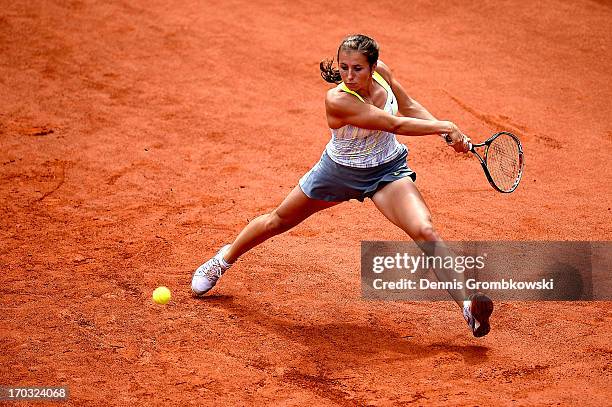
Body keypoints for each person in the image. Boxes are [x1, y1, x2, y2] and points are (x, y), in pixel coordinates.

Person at [191, 34, 493, 337]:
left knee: (425, 231)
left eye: (358, 69)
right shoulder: (338, 99)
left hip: (386, 170)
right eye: (344, 67)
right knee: (278, 220)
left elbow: (409, 106)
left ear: (373, 67)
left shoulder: (384, 75)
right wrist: (446, 126)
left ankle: (468, 307)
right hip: (338, 173)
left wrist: (446, 135)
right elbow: (394, 124)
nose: (349, 76)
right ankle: (222, 260)